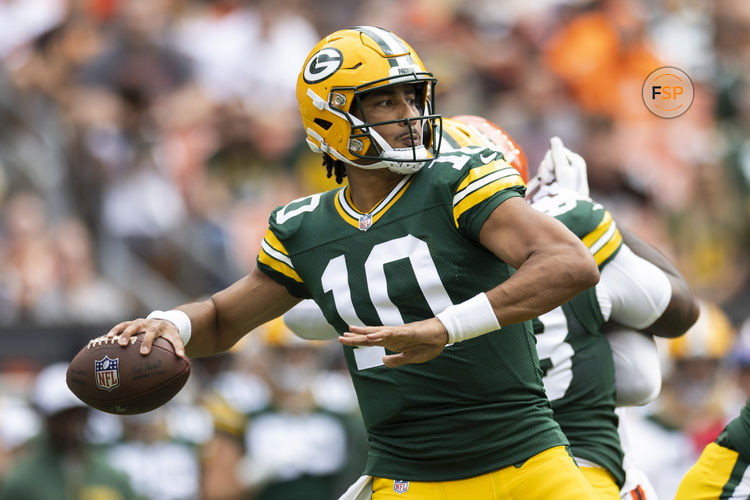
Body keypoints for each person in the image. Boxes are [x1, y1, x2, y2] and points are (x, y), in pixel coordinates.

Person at [106, 26, 602, 499]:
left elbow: (567, 263)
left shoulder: (457, 178)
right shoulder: (304, 226)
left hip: (528, 457)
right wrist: (169, 325)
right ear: (331, 118)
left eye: (412, 96)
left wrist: (445, 328)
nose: (409, 113)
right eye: (386, 100)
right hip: (409, 478)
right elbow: (222, 318)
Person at [285, 115, 700, 500]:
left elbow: (299, 317)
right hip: (566, 462)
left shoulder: (383, 257)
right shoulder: (567, 227)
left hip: (450, 471)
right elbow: (679, 312)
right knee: (638, 371)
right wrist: (595, 217)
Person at [0, 363, 137, 500]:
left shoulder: (112, 475)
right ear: (45, 417)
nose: (70, 424)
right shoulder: (22, 480)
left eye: (77, 414)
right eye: (61, 417)